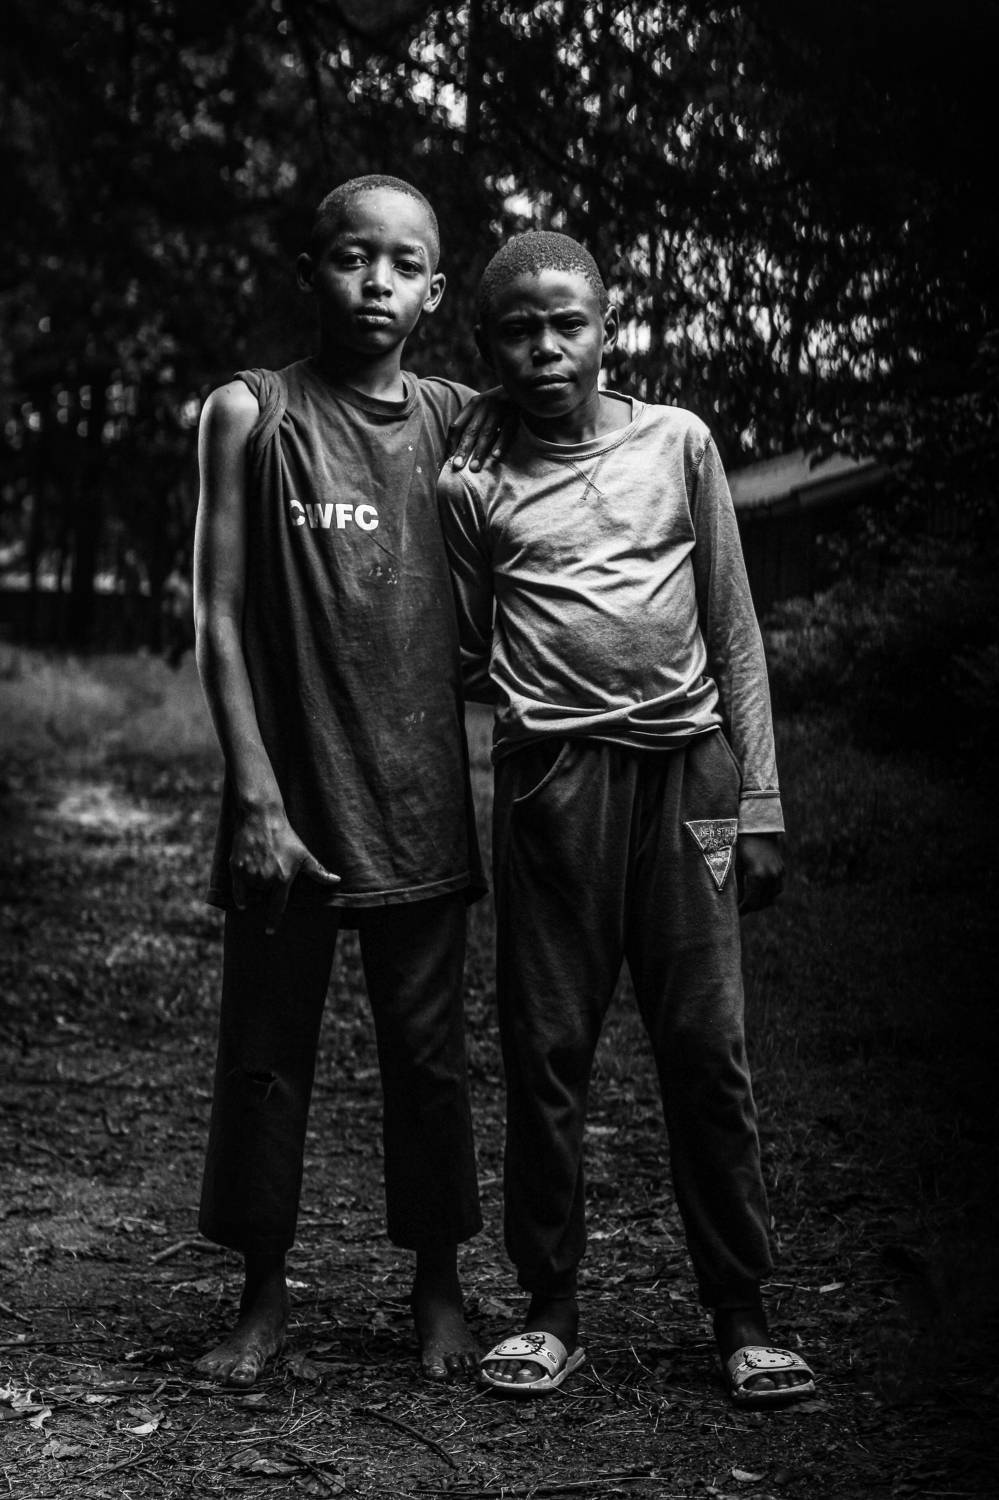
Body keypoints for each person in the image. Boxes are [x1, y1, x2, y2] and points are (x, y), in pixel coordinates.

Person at [437, 230, 816, 1407]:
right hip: (551, 788)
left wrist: (759, 801)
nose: (545, 348)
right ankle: (549, 1308)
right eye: (518, 331)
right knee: (547, 1046)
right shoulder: (475, 483)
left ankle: (742, 1312)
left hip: (691, 782)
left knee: (705, 1042)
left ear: (609, 329)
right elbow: (464, 652)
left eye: (569, 324)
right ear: (487, 346)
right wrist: (556, 692)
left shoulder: (678, 442)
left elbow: (736, 629)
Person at [192, 174, 500, 1389]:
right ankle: (262, 1297)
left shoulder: (462, 421)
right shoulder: (250, 413)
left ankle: (439, 1287)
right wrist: (254, 794)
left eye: (404, 264)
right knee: (266, 1054)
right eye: (351, 257)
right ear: (309, 270)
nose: (377, 282)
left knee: (428, 1060)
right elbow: (218, 615)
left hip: (419, 797)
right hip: (291, 800)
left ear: (436, 290)